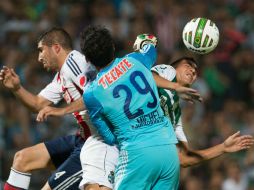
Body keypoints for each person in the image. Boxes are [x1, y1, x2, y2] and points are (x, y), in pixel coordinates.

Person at [0, 27, 118, 190]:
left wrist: (61, 110)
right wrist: (16, 88)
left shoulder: (74, 63)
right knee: (22, 159)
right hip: (81, 139)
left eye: (41, 50)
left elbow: (97, 95)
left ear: (56, 48)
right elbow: (37, 104)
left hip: (97, 143)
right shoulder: (61, 76)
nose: (39, 57)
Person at [79, 25, 180, 190]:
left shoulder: (92, 94)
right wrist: (145, 39)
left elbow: (109, 137)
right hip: (169, 151)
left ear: (88, 60)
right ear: (113, 46)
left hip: (137, 156)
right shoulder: (136, 59)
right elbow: (151, 47)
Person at [151, 57, 254, 167]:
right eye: (187, 66)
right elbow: (148, 77)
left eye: (195, 72)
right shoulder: (167, 72)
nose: (192, 71)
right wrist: (175, 87)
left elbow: (184, 159)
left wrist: (223, 148)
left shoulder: (175, 119)